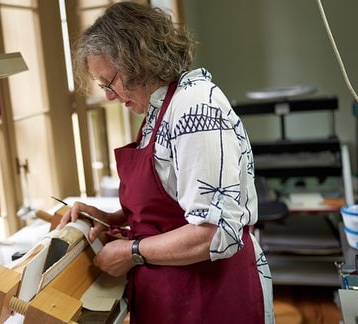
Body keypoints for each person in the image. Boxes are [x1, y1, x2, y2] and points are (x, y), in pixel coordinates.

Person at [58, 2, 274, 323]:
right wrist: (108, 216)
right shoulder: (160, 108)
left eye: (110, 82)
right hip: (172, 292)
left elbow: (214, 232)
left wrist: (132, 252)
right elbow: (173, 201)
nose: (109, 96)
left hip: (212, 296)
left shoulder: (194, 109)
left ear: (138, 61)